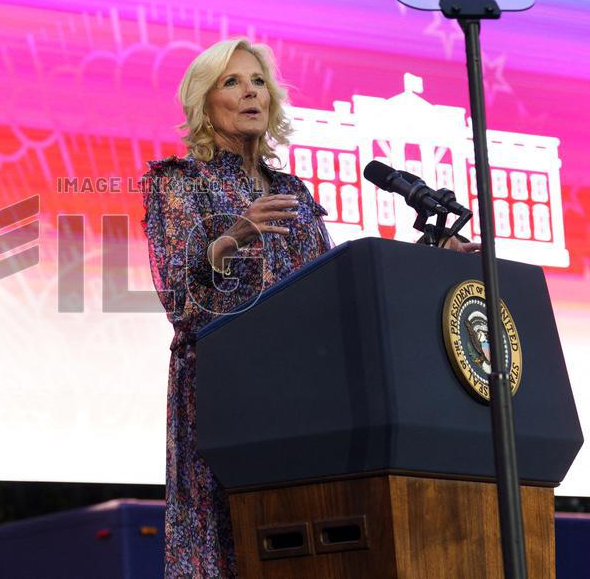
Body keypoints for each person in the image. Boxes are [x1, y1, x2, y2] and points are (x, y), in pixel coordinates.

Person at [141, 38, 475, 577]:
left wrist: (430, 256)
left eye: (258, 81)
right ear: (205, 103)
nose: (251, 92)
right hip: (226, 391)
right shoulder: (179, 183)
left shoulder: (292, 191)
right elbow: (180, 299)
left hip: (301, 394)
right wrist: (231, 238)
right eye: (232, 82)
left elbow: (331, 289)